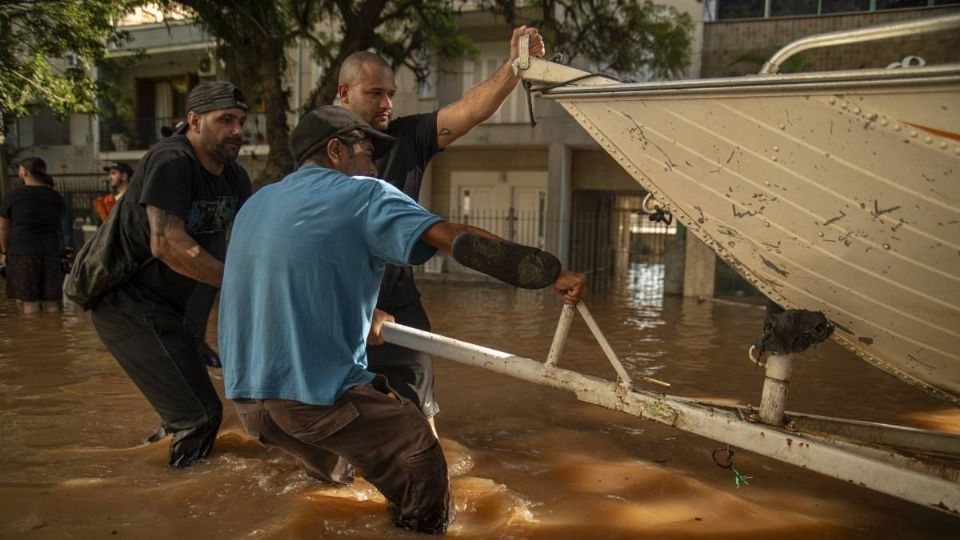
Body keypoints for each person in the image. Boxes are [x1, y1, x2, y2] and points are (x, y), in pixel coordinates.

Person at [218, 106, 585, 534]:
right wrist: (550, 273)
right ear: (335, 151)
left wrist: (362, 313)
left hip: (249, 400)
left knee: (339, 471)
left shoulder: (258, 202)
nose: (375, 166)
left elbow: (274, 281)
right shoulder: (363, 194)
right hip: (308, 400)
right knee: (420, 453)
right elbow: (453, 240)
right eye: (368, 153)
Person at [335, 26, 547, 434]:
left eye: (391, 93)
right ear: (344, 94)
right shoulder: (316, 149)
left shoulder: (406, 137)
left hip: (398, 302)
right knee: (335, 425)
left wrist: (515, 68)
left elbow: (470, 110)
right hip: (335, 301)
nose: (387, 103)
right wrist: (352, 308)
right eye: (375, 93)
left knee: (420, 414)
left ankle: (433, 489)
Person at [89, 80, 252, 468]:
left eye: (242, 121)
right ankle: (176, 502)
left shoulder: (236, 178)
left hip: (174, 309)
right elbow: (168, 244)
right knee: (200, 415)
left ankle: (143, 469)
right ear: (194, 121)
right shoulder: (171, 161)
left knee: (185, 410)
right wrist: (250, 287)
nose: (238, 131)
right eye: (225, 119)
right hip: (124, 302)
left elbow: (251, 245)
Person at [0, 157, 66, 314]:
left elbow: (3, 227)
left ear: (24, 172)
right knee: (51, 302)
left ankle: (34, 334)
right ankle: (55, 335)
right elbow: (59, 222)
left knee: (30, 302)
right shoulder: (55, 197)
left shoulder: (13, 196)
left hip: (23, 254)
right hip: (52, 252)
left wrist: (4, 252)